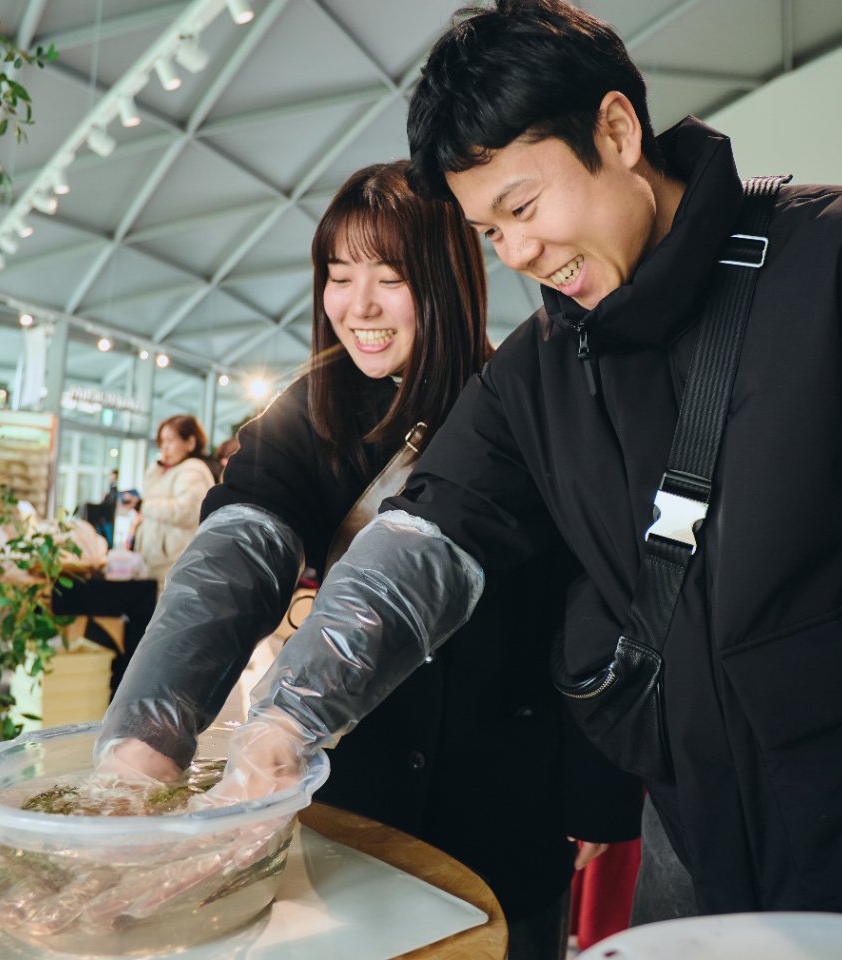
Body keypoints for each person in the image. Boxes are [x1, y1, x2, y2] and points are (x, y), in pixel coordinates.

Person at [201, 0, 842, 952]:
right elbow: (427, 534)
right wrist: (290, 718)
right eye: (490, 232)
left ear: (616, 130)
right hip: (690, 854)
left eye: (523, 207)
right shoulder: (535, 373)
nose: (519, 252)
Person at [97, 161, 639, 958]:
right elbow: (237, 556)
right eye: (339, 276)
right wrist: (145, 742)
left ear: (448, 279)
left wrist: (594, 796)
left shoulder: (523, 402)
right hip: (356, 792)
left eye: (390, 278)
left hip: (504, 789)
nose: (360, 307)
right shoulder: (307, 412)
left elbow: (595, 597)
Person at [127, 414, 214, 585]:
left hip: (174, 562)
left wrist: (144, 506)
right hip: (158, 561)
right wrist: (157, 466)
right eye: (162, 441)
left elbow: (187, 511)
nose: (165, 447)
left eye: (170, 440)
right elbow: (151, 494)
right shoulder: (169, 469)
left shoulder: (192, 469)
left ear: (190, 442)